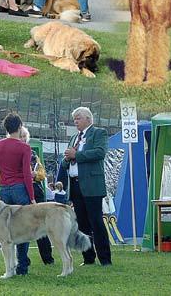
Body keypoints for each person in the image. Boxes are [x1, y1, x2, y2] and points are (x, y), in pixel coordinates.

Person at [0, 113, 35, 276]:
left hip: (4, 190)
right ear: (20, 127)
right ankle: (22, 267)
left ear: (6, 128)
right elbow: (27, 174)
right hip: (20, 190)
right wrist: (32, 197)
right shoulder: (25, 147)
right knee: (23, 229)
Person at [62, 107, 112, 266]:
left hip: (91, 184)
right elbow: (66, 161)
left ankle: (105, 258)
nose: (75, 121)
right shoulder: (74, 138)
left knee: (96, 221)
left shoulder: (98, 133)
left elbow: (100, 152)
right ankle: (88, 257)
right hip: (75, 185)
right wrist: (67, 159)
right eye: (74, 119)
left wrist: (77, 155)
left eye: (78, 118)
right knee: (82, 223)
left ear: (88, 119)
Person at [19, 126, 54, 265]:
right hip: (20, 190)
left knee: (41, 225)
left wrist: (36, 175)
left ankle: (47, 258)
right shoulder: (11, 153)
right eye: (19, 136)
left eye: (24, 136)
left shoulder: (33, 154)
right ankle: (23, 259)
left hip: (36, 190)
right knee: (21, 226)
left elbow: (42, 173)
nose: (22, 138)